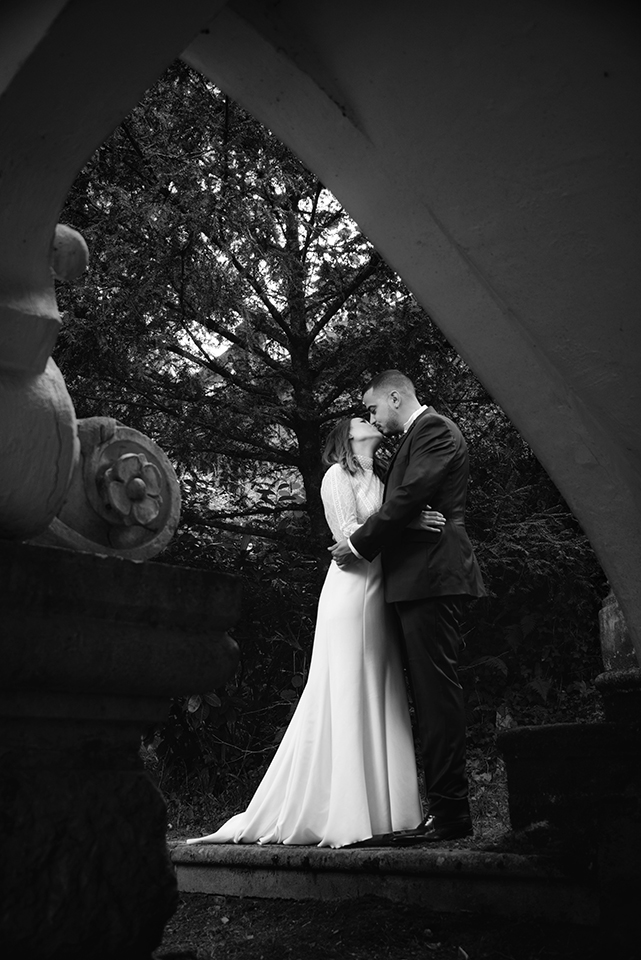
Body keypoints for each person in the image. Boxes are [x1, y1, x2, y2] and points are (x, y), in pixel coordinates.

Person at [186, 416, 445, 848]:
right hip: (350, 592)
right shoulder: (336, 476)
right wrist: (409, 525)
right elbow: (348, 538)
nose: (370, 419)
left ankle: (388, 813)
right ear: (348, 436)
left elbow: (385, 525)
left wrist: (408, 522)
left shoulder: (380, 478)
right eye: (361, 418)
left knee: (379, 690)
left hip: (379, 592)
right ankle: (345, 814)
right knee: (346, 691)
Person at [330, 371, 486, 844]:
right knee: (427, 693)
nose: (372, 417)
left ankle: (451, 814)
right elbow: (407, 504)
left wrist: (357, 544)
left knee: (436, 694)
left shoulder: (433, 429)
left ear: (395, 397)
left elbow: (408, 497)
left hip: (432, 575)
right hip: (416, 578)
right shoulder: (412, 439)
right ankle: (441, 809)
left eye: (373, 408)